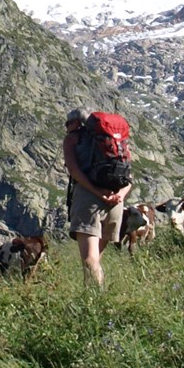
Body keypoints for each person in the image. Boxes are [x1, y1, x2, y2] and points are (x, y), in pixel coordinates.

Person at [63, 109, 128, 286]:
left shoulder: (73, 138)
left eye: (67, 124)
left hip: (88, 200)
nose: (66, 128)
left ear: (76, 123)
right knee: (96, 259)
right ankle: (93, 296)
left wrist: (97, 193)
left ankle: (96, 302)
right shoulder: (113, 141)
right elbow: (129, 177)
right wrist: (118, 196)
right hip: (115, 203)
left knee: (89, 260)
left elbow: (75, 171)